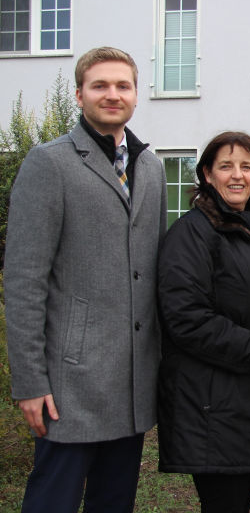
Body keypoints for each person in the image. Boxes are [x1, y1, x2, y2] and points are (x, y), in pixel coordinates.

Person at [4, 46, 167, 512]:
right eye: (100, 85)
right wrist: (30, 382)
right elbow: (23, 281)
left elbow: (154, 270)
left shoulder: (150, 168)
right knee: (52, 501)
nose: (112, 95)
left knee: (114, 503)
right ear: (79, 94)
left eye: (123, 86)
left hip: (132, 380)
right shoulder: (49, 163)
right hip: (68, 383)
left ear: (136, 95)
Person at [156, 131, 250, 513]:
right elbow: (186, 318)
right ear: (207, 174)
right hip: (212, 406)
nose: (236, 175)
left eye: (246, 166)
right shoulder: (191, 234)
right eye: (225, 166)